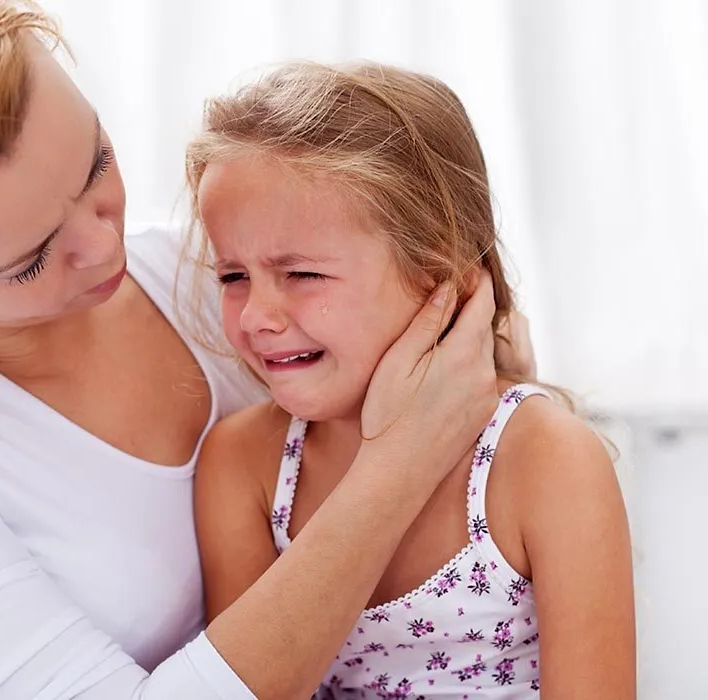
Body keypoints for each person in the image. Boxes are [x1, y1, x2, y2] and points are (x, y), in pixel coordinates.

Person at [0, 2, 531, 698]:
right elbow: (429, 431)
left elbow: (484, 411)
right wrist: (402, 463)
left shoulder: (227, 282)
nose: (104, 245)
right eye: (28, 259)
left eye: (96, 164)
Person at [188, 61, 636, 698]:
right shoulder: (244, 465)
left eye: (302, 274)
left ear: (436, 274)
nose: (257, 316)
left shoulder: (545, 459)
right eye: (233, 277)